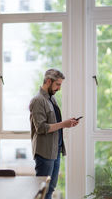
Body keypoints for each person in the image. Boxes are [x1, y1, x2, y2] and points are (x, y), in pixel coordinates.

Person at [29, 68, 79, 199]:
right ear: (48, 81)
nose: (59, 88)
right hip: (44, 152)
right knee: (42, 191)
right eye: (58, 84)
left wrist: (68, 123)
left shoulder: (52, 99)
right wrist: (64, 124)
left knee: (50, 189)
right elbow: (41, 128)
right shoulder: (38, 100)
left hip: (55, 150)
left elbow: (54, 124)